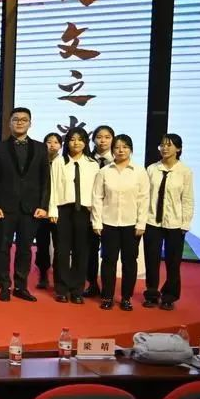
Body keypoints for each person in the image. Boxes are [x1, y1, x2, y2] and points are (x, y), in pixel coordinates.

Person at [0, 107, 49, 302]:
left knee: (25, 249)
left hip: (31, 208)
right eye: (15, 119)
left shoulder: (41, 148)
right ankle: (4, 285)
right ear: (9, 123)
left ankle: (21, 287)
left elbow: (45, 180)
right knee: (2, 248)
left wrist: (43, 205)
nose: (19, 122)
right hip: (4, 208)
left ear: (30, 123)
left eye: (24, 119)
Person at [92, 134, 148, 311]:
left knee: (129, 262)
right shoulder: (104, 171)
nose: (121, 150)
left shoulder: (139, 172)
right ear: (112, 150)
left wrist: (141, 223)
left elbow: (144, 199)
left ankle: (126, 298)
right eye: (117, 147)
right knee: (108, 261)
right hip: (108, 223)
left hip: (131, 224)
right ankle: (107, 296)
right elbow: (97, 198)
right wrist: (97, 222)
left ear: (131, 149)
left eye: (125, 147)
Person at [143, 134, 193, 311]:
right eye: (162, 145)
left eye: (169, 145)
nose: (164, 148)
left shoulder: (185, 171)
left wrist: (185, 223)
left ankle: (169, 296)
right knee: (151, 259)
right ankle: (151, 294)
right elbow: (145, 195)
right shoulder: (152, 169)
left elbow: (187, 199)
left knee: (173, 262)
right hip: (152, 221)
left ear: (178, 149)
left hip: (175, 223)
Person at [48, 127, 98, 304]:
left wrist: (95, 215)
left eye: (80, 139)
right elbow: (53, 187)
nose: (76, 143)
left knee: (81, 251)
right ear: (67, 142)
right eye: (72, 139)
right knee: (61, 252)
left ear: (86, 142)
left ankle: (77, 290)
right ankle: (61, 289)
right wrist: (52, 209)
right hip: (63, 210)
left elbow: (96, 192)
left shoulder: (92, 164)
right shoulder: (59, 162)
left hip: (84, 211)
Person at [85, 124, 116, 297]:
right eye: (99, 137)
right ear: (93, 139)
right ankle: (92, 284)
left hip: (111, 213)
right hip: (88, 212)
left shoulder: (119, 160)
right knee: (90, 251)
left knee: (109, 254)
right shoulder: (87, 159)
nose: (102, 141)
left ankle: (108, 288)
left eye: (107, 137)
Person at [35, 132, 63, 290]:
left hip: (59, 211)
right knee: (42, 245)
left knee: (60, 245)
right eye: (49, 142)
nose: (52, 145)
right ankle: (43, 274)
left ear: (61, 145)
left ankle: (59, 277)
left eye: (56, 142)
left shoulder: (64, 163)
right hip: (41, 210)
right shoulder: (39, 161)